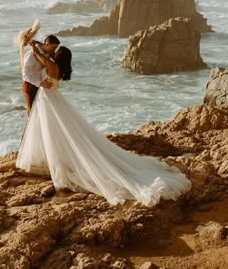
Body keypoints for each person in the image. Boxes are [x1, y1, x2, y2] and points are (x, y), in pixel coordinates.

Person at [16, 40, 192, 207]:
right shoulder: (55, 66)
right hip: (49, 102)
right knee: (54, 132)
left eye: (55, 51)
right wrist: (33, 44)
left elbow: (39, 56)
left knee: (54, 131)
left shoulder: (52, 66)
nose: (52, 53)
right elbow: (40, 56)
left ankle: (57, 162)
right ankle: (53, 159)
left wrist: (32, 45)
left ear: (58, 57)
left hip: (49, 103)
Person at [21, 34, 60, 115]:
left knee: (41, 114)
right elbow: (25, 74)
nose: (54, 50)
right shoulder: (31, 55)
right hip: (30, 86)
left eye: (55, 48)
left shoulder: (47, 53)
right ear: (47, 44)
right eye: (53, 48)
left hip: (41, 87)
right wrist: (40, 83)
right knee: (32, 115)